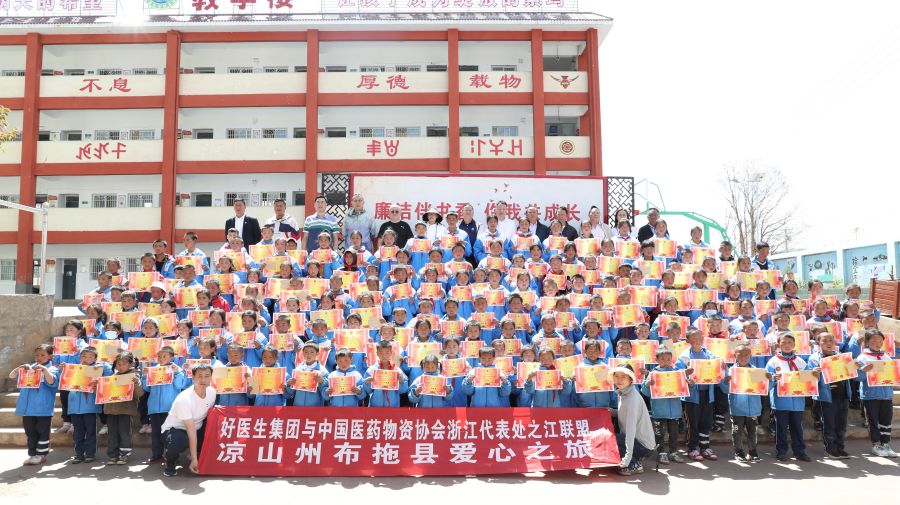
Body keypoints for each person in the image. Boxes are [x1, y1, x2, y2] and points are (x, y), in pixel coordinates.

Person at [160, 361, 217, 477]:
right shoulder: (184, 399)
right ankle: (170, 460)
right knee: (179, 440)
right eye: (199, 376)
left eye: (207, 376)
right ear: (193, 377)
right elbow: (190, 429)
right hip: (175, 430)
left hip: (196, 428)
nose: (203, 380)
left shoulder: (212, 392)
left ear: (211, 377)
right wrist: (194, 459)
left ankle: (199, 455)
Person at [9, 344, 60, 466]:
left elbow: (52, 381)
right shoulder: (30, 368)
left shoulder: (52, 369)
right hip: (27, 408)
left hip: (43, 408)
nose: (39, 358)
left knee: (42, 432)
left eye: (43, 355)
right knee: (30, 432)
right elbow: (12, 375)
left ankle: (41, 455)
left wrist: (44, 370)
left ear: (50, 356)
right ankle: (32, 454)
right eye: (37, 355)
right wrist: (19, 368)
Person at [612, 364, 655, 476]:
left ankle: (634, 464)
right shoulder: (623, 392)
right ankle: (634, 457)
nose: (619, 380)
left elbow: (631, 431)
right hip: (636, 441)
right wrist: (610, 411)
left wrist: (627, 459)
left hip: (643, 445)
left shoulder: (632, 398)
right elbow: (623, 413)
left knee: (611, 438)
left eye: (623, 377)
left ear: (631, 379)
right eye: (616, 376)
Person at [104, 351, 144, 466]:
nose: (121, 366)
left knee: (124, 433)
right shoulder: (112, 377)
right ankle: (112, 455)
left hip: (125, 411)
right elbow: (104, 394)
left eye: (124, 364)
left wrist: (137, 383)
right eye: (119, 364)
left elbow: (140, 394)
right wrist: (100, 385)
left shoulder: (134, 376)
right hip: (111, 410)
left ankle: (124, 454)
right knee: (112, 433)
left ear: (130, 364)